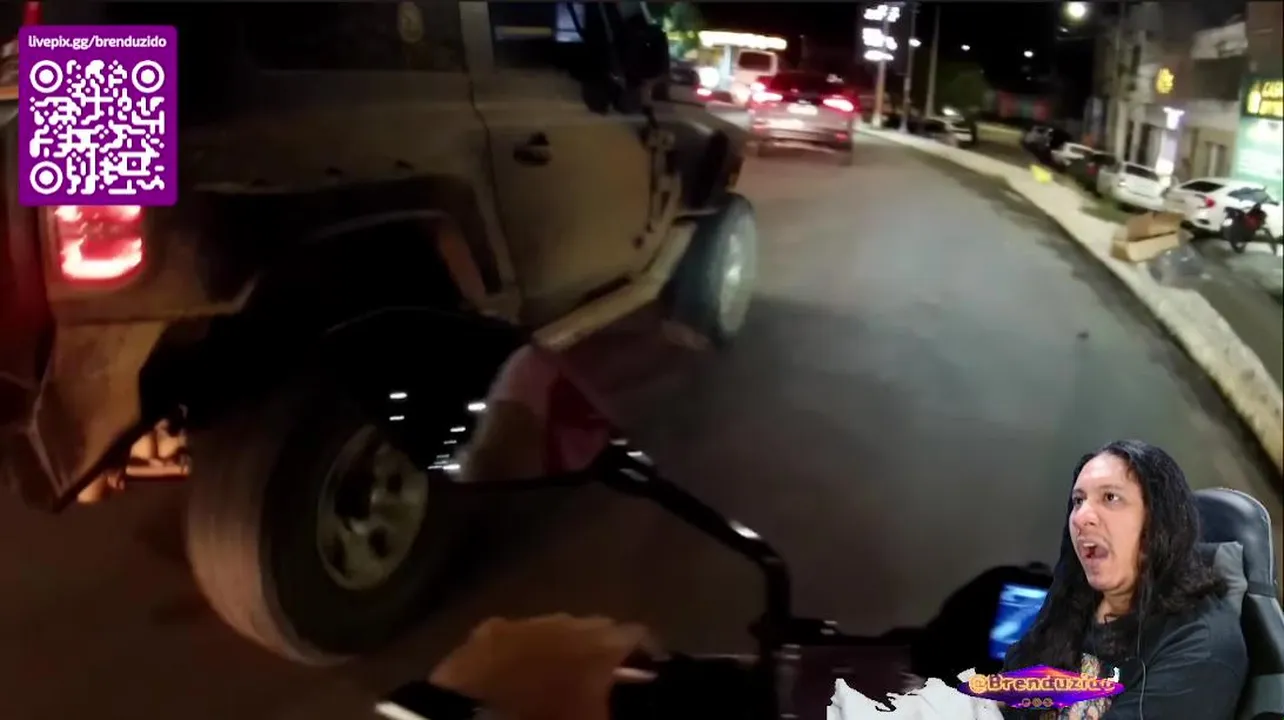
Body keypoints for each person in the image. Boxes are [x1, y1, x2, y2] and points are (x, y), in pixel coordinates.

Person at [1001, 439, 1247, 719]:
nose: (1081, 517)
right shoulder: (1074, 600)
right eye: (1078, 500)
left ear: (1159, 521)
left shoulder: (1201, 645)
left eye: (1110, 497)